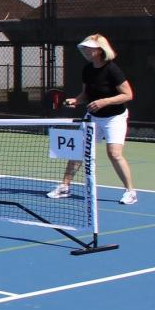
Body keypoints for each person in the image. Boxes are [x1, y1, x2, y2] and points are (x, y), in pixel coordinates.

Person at [48, 34, 138, 205]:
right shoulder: (88, 69)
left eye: (90, 48)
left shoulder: (113, 70)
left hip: (114, 118)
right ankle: (65, 187)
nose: (86, 51)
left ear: (100, 50)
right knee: (78, 151)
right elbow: (86, 94)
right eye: (85, 48)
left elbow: (128, 95)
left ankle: (130, 192)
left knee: (114, 154)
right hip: (93, 117)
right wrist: (77, 100)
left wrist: (105, 101)